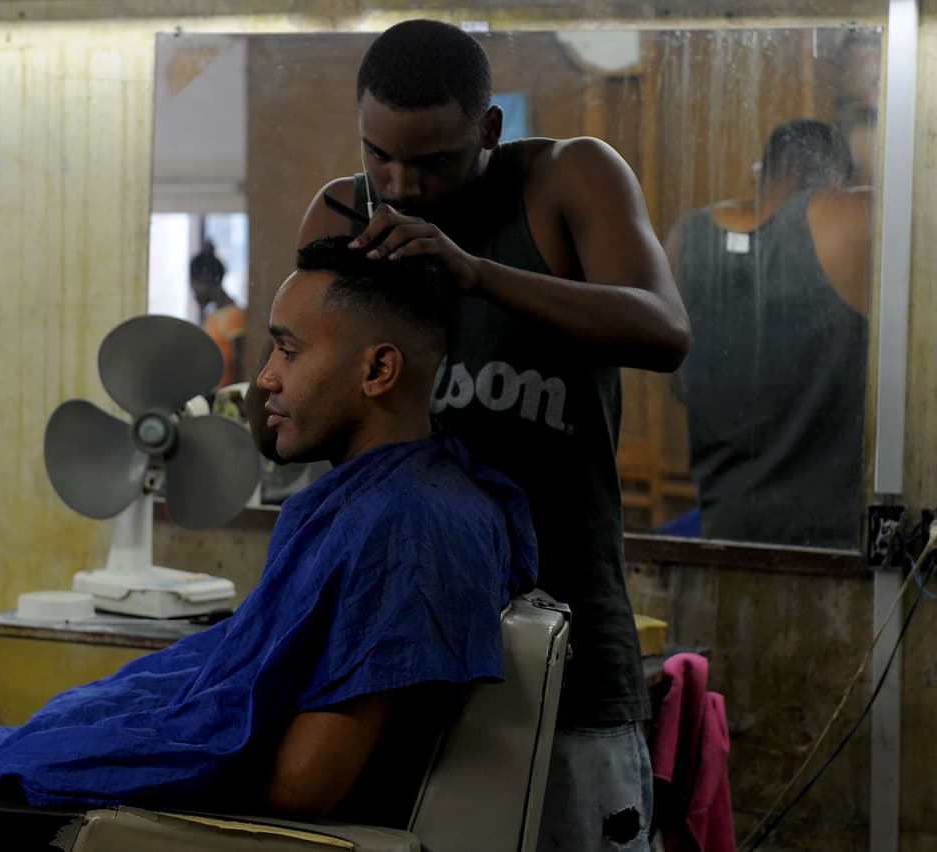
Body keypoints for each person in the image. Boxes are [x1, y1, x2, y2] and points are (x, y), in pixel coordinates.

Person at [0, 236, 539, 852]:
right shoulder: (386, 497)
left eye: (287, 351)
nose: (265, 379)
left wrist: (128, 763)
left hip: (239, 824)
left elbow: (310, 784)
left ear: (378, 369)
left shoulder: (407, 526)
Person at [292, 19, 690, 851]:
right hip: (397, 658)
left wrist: (477, 275)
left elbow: (662, 329)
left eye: (432, 161)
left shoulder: (564, 177)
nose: (399, 186)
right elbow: (294, 411)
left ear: (489, 129)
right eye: (378, 155)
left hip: (566, 651)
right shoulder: (341, 210)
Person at [666, 118, 871, 548]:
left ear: (762, 173)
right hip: (834, 539)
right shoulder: (846, 219)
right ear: (834, 180)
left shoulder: (688, 235)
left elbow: (681, 381)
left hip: (727, 526)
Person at [190, 239, 245, 387]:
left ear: (205, 280)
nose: (193, 293)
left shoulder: (234, 316)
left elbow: (241, 368)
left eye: (194, 286)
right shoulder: (212, 316)